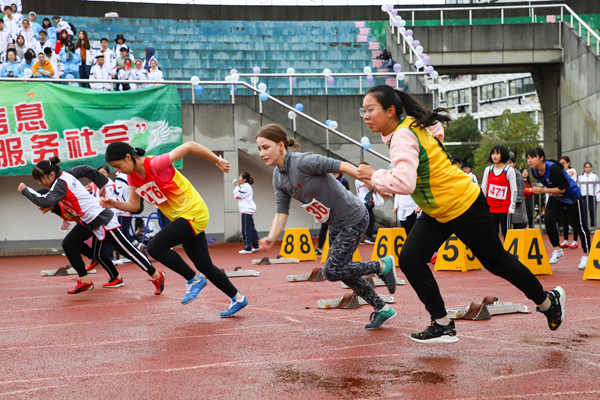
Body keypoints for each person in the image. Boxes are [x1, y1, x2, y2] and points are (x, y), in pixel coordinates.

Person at [356, 84, 565, 343]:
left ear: (390, 110)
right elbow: (436, 131)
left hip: (464, 204)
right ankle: (442, 323)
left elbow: (404, 183)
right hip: (439, 210)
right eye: (363, 111)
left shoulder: (402, 135)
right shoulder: (409, 126)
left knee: (497, 262)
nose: (365, 116)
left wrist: (374, 176)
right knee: (410, 259)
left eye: (370, 109)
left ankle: (548, 302)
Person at [256, 123, 398, 330]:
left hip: (354, 217)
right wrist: (271, 237)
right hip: (335, 224)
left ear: (280, 145)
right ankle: (382, 308)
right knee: (343, 271)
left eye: (265, 147)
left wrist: (377, 185)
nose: (261, 153)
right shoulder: (278, 177)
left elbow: (344, 166)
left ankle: (382, 265)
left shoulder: (304, 162)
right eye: (259, 149)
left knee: (332, 270)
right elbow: (281, 211)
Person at [102, 141, 249, 317]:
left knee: (155, 247)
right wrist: (114, 203)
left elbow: (190, 146)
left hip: (193, 212)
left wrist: (217, 161)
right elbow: (134, 206)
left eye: (118, 166)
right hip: (180, 218)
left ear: (128, 157)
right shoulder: (133, 176)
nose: (117, 171)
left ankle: (193, 280)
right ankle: (238, 298)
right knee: (204, 265)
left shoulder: (156, 164)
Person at [18, 156, 166, 294]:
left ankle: (156, 274)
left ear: (51, 174)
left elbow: (46, 201)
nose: (39, 183)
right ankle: (87, 281)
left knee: (126, 249)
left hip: (101, 218)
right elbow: (85, 169)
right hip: (89, 220)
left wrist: (25, 189)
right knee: (72, 245)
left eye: (40, 179)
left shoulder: (60, 183)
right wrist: (102, 183)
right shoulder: (66, 175)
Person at [527, 148, 590, 270]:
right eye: (528, 158)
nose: (530, 160)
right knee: (548, 219)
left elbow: (563, 189)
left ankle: (586, 254)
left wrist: (543, 190)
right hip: (556, 197)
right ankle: (557, 249)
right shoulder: (534, 171)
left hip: (572, 196)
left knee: (579, 226)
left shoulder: (553, 169)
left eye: (533, 157)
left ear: (541, 158)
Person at [481, 145, 516, 238]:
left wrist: (512, 206)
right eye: (493, 154)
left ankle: (508, 247)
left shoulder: (509, 170)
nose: (494, 156)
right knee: (492, 233)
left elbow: (514, 189)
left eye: (497, 154)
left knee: (506, 232)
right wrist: (481, 205)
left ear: (503, 155)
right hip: (491, 207)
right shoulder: (488, 170)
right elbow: (483, 189)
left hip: (505, 207)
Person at [315, 172, 350, 255]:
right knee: (324, 227)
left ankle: (339, 249)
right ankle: (319, 248)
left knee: (338, 229)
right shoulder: (328, 179)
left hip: (339, 209)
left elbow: (348, 195)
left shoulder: (343, 181)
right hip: (328, 208)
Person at [356, 162, 384, 244]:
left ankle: (364, 237)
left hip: (367, 201)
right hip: (363, 201)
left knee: (368, 220)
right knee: (368, 219)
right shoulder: (359, 177)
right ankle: (366, 237)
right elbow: (370, 185)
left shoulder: (362, 177)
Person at [233, 171, 259, 254]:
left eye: (240, 176)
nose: (239, 178)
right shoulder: (244, 186)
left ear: (244, 179)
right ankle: (256, 245)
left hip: (246, 210)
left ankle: (247, 248)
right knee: (251, 229)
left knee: (246, 229)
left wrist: (236, 187)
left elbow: (237, 195)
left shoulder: (246, 187)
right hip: (247, 210)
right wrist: (238, 186)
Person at [506, 156, 528, 229]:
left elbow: (520, 188)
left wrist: (517, 201)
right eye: (506, 163)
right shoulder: (506, 173)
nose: (508, 165)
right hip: (509, 202)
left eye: (510, 163)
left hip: (517, 204)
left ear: (514, 163)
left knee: (518, 223)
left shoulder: (517, 174)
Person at [578, 162, 599, 230]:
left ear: (591, 168)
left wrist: (598, 197)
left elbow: (597, 187)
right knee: (584, 212)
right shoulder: (580, 177)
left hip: (592, 196)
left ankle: (593, 227)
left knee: (592, 211)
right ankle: (585, 228)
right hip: (583, 196)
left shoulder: (594, 176)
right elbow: (578, 187)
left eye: (589, 167)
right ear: (584, 168)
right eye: (586, 167)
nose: (587, 169)